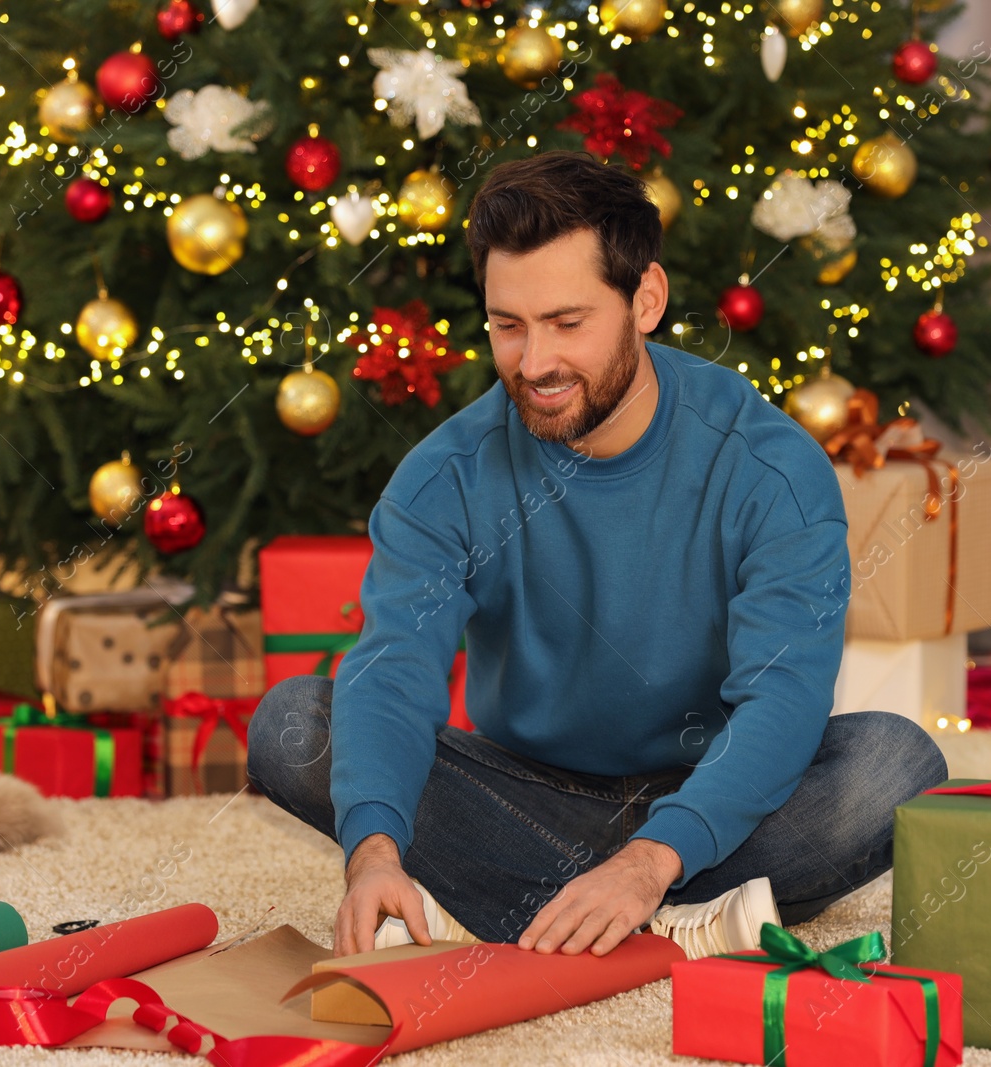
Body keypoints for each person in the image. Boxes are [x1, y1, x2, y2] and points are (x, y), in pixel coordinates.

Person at [248, 150, 947, 960]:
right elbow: (395, 673)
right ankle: (682, 920)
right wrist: (371, 853)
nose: (535, 362)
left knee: (893, 761)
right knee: (296, 722)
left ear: (645, 300)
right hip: (524, 795)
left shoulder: (771, 467)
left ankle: (593, 900)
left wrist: (651, 859)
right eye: (508, 325)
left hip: (707, 795)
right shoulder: (444, 476)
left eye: (567, 323)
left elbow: (782, 701)